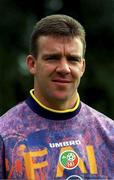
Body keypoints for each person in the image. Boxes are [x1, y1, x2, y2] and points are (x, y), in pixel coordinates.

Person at [0, 14, 114, 180]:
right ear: (32, 64)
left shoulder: (109, 134)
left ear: (82, 67)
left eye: (73, 59)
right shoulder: (5, 136)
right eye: (52, 58)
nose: (64, 68)